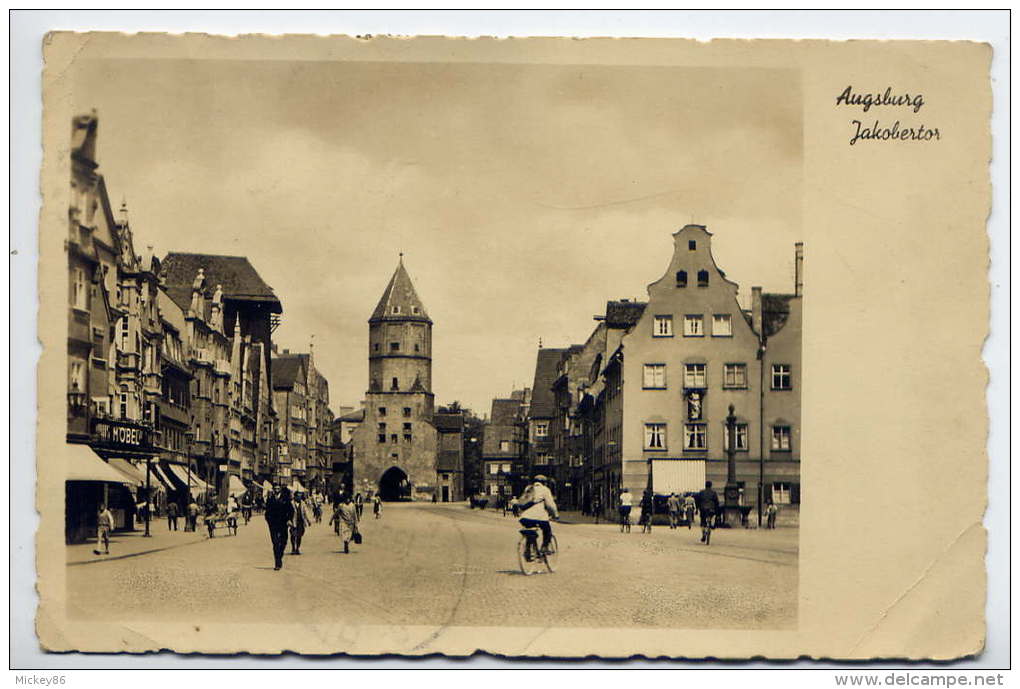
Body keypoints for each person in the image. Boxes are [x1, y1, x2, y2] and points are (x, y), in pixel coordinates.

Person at [517, 474, 559, 554]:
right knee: (547, 530)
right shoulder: (545, 490)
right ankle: (544, 547)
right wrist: (555, 515)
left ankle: (528, 551)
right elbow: (550, 505)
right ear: (544, 483)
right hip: (539, 518)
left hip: (524, 517)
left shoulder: (528, 488)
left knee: (530, 531)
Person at [265, 485, 294, 570]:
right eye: (275, 489)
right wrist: (269, 521)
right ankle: (277, 563)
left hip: (283, 524)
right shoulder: (270, 500)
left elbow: (291, 510)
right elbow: (267, 512)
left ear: (280, 490)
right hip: (273, 525)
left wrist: (289, 519)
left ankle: (280, 554)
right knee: (275, 543)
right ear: (273, 490)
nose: (277, 490)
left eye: (278, 489)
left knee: (283, 542)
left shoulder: (285, 499)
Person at [695, 481, 720, 545]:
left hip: (703, 508)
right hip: (711, 509)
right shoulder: (714, 493)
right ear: (711, 486)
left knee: (703, 522)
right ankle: (711, 525)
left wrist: (697, 509)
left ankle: (704, 533)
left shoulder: (701, 492)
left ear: (705, 485)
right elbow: (717, 502)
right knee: (712, 517)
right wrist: (717, 510)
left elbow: (697, 501)